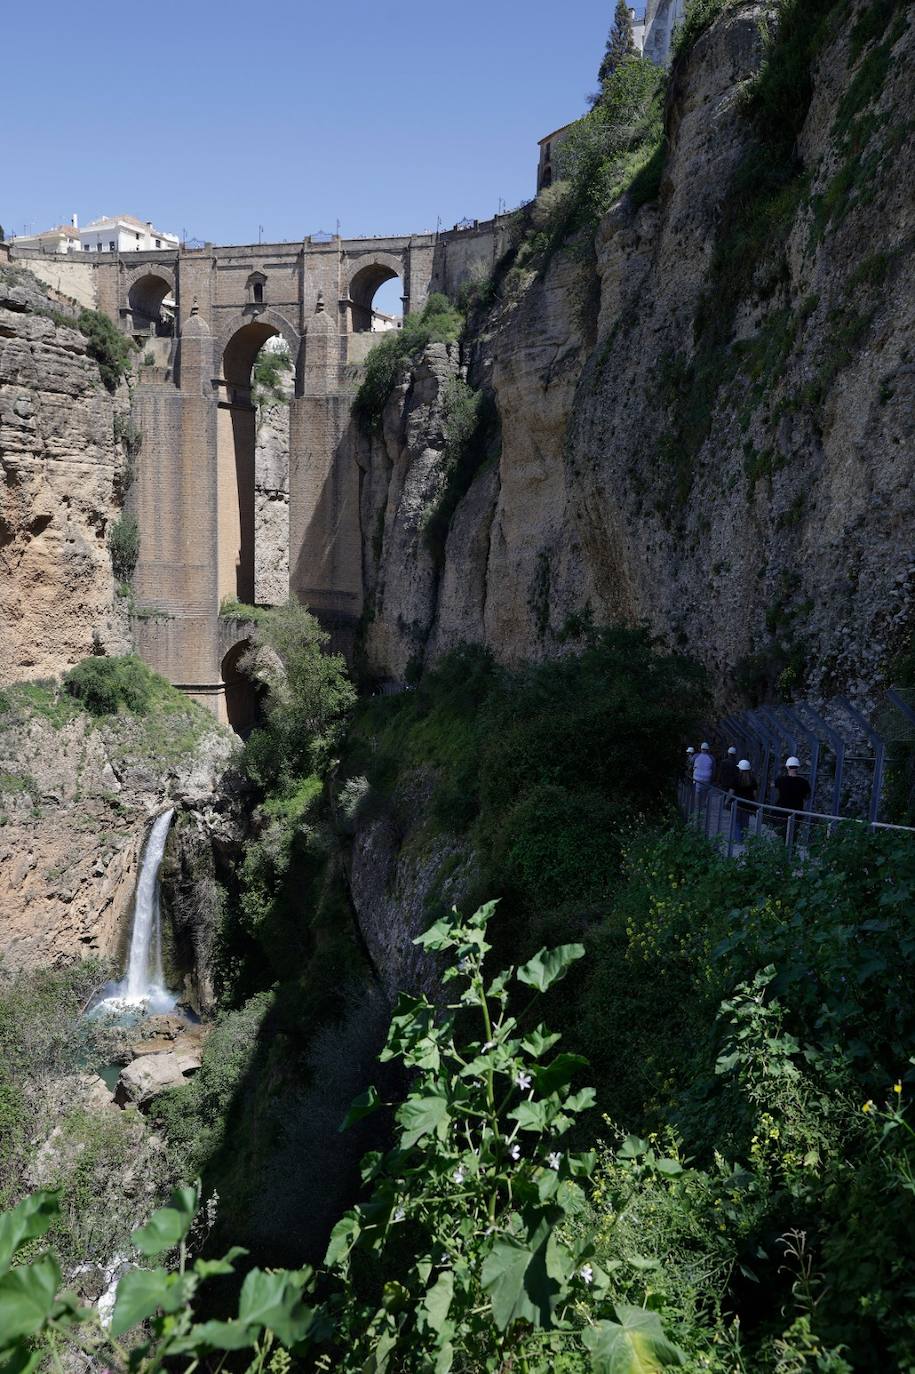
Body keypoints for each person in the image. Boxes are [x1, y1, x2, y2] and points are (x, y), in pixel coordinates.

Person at [773, 756, 811, 833]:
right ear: (797, 767)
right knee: (793, 834)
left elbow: (773, 785)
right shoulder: (803, 782)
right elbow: (808, 796)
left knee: (782, 833)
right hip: (797, 812)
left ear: (787, 767)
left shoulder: (781, 780)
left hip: (782, 811)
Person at [732, 759, 758, 840]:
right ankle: (743, 838)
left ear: (740, 768)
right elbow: (755, 794)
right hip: (747, 804)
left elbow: (731, 791)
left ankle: (738, 839)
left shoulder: (737, 778)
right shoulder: (752, 780)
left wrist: (726, 801)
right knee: (745, 822)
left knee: (737, 822)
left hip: (738, 803)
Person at [693, 741, 715, 806]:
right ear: (708, 749)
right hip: (707, 777)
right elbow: (713, 769)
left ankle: (696, 806)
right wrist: (712, 778)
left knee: (697, 792)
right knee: (705, 791)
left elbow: (691, 762)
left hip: (697, 778)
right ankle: (703, 804)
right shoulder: (711, 758)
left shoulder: (696, 756)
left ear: (701, 748)